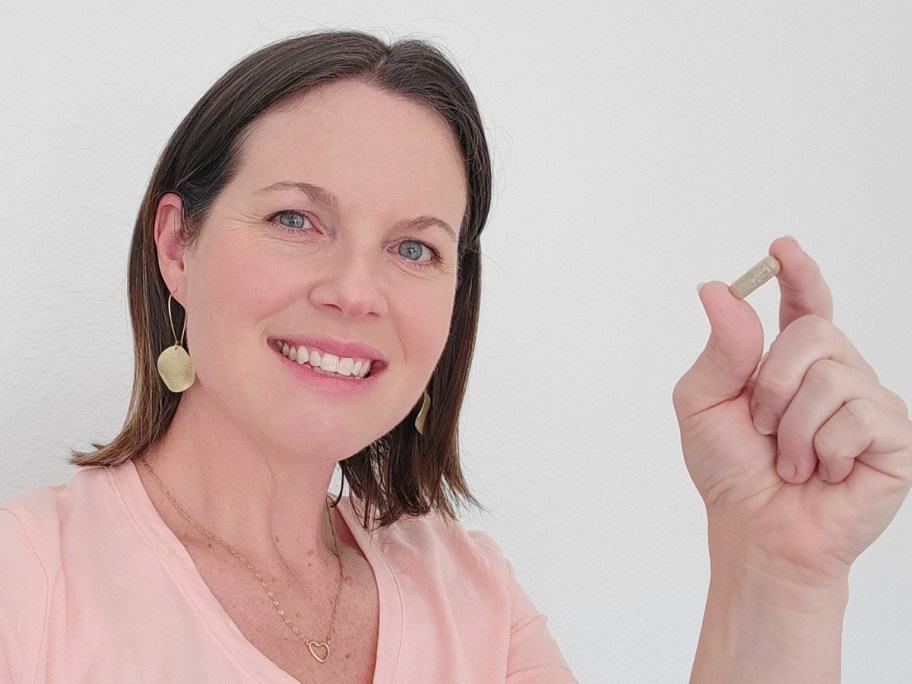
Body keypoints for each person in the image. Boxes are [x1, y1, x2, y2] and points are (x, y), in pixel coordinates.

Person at [0, 29, 909, 684]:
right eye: (294, 219)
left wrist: (775, 576)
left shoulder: (469, 592)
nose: (357, 292)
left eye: (413, 248)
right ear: (177, 247)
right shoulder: (28, 584)